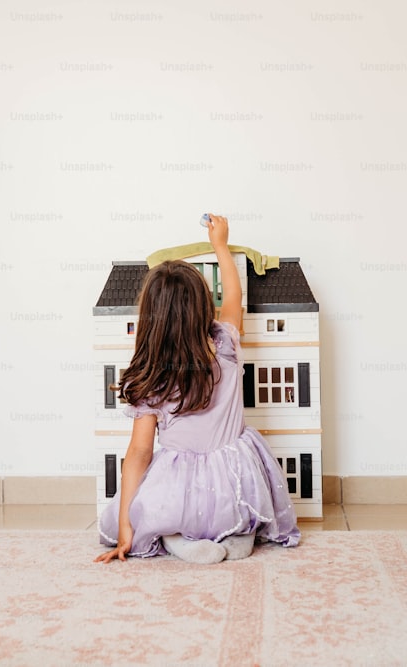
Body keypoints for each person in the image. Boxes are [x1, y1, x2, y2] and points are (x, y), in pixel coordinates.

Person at [95, 215, 301, 565]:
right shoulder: (226, 346)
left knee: (163, 512)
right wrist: (220, 244)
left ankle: (182, 541)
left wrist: (127, 527)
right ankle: (238, 536)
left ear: (151, 320)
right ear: (205, 307)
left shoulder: (151, 378)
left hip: (182, 494)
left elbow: (139, 454)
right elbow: (234, 298)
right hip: (235, 484)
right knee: (235, 506)